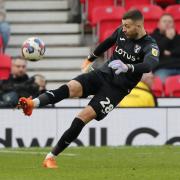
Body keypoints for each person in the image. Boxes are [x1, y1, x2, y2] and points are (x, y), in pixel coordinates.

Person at [17, 9, 159, 168]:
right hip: (103, 74)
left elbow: (150, 64)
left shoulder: (150, 45)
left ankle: (50, 157)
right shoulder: (121, 32)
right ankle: (32, 104)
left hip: (116, 90)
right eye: (122, 25)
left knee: (83, 116)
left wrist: (128, 67)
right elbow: (108, 42)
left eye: (127, 26)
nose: (123, 29)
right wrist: (90, 59)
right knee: (70, 87)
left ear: (139, 26)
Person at [151, 13, 180, 82]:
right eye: (164, 21)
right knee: (159, 82)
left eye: (170, 22)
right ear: (158, 25)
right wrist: (167, 38)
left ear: (174, 25)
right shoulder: (151, 37)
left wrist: (171, 53)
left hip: (178, 67)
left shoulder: (178, 38)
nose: (167, 24)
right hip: (162, 68)